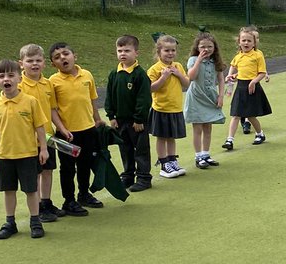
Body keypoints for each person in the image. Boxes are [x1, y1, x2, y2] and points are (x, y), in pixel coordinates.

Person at [0, 59, 49, 240]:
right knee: (8, 190)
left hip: (28, 153)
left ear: (19, 78)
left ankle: (35, 220)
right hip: (5, 155)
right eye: (1, 76)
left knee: (31, 190)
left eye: (11, 75)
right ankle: (10, 222)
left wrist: (43, 149)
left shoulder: (30, 102)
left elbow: (40, 127)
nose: (6, 79)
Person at [48, 42, 104, 215]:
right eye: (57, 57)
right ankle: (69, 200)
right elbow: (53, 109)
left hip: (87, 129)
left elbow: (92, 100)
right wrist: (62, 129)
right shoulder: (53, 82)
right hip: (67, 134)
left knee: (85, 164)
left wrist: (97, 119)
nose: (62, 58)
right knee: (67, 168)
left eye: (65, 54)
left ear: (75, 56)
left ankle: (83, 194)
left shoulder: (87, 75)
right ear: (53, 64)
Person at [18, 44, 65, 223]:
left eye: (38, 60)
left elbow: (52, 109)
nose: (34, 64)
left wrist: (61, 128)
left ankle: (46, 202)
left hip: (48, 137)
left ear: (44, 63)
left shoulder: (48, 84)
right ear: (21, 64)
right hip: (30, 140)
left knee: (48, 170)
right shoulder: (19, 86)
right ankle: (37, 206)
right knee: (36, 173)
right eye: (30, 61)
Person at [106, 34, 153, 192]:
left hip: (137, 122)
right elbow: (110, 97)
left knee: (140, 149)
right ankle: (127, 175)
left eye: (127, 50)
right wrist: (111, 116)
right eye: (120, 50)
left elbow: (144, 99)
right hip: (120, 121)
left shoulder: (140, 75)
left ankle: (144, 178)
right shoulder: (114, 74)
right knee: (124, 149)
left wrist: (139, 119)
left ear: (136, 53)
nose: (123, 54)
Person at [148, 34, 190, 178]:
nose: (170, 53)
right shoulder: (154, 69)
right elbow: (151, 88)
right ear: (159, 51)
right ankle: (164, 163)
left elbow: (187, 83)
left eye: (173, 50)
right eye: (167, 50)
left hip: (176, 108)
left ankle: (172, 160)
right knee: (162, 137)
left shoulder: (177, 66)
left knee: (172, 137)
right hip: (161, 109)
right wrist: (163, 77)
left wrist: (179, 74)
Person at [222, 27, 271, 150]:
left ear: (254, 43)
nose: (246, 43)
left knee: (250, 116)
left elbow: (262, 73)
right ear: (239, 42)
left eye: (249, 41)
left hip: (252, 88)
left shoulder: (258, 55)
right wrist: (231, 76)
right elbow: (236, 68)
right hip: (241, 88)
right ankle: (230, 140)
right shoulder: (238, 56)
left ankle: (260, 134)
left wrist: (254, 81)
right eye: (243, 40)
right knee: (236, 115)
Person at [184, 31, 226, 168]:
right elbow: (191, 76)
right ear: (197, 48)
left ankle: (206, 154)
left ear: (214, 48)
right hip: (196, 97)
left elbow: (220, 79)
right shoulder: (193, 60)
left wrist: (220, 96)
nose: (206, 49)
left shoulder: (216, 61)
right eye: (202, 47)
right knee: (197, 128)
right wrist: (199, 61)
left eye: (209, 47)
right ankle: (198, 157)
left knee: (208, 127)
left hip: (210, 97)